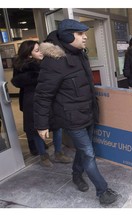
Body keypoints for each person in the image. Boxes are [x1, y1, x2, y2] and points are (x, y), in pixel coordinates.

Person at [33, 19, 119, 205]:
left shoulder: (79, 54)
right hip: (72, 117)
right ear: (67, 36)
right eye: (80, 34)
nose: (85, 36)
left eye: (84, 33)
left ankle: (76, 175)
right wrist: (41, 124)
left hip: (88, 113)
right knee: (88, 152)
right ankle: (102, 191)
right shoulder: (54, 61)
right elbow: (42, 95)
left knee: (83, 151)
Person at [11, 40, 72, 167]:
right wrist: (34, 77)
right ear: (29, 54)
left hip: (51, 99)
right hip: (32, 101)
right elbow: (17, 81)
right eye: (37, 50)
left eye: (40, 49)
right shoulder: (23, 67)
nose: (41, 52)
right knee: (36, 129)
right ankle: (43, 156)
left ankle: (58, 153)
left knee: (57, 126)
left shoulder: (47, 62)